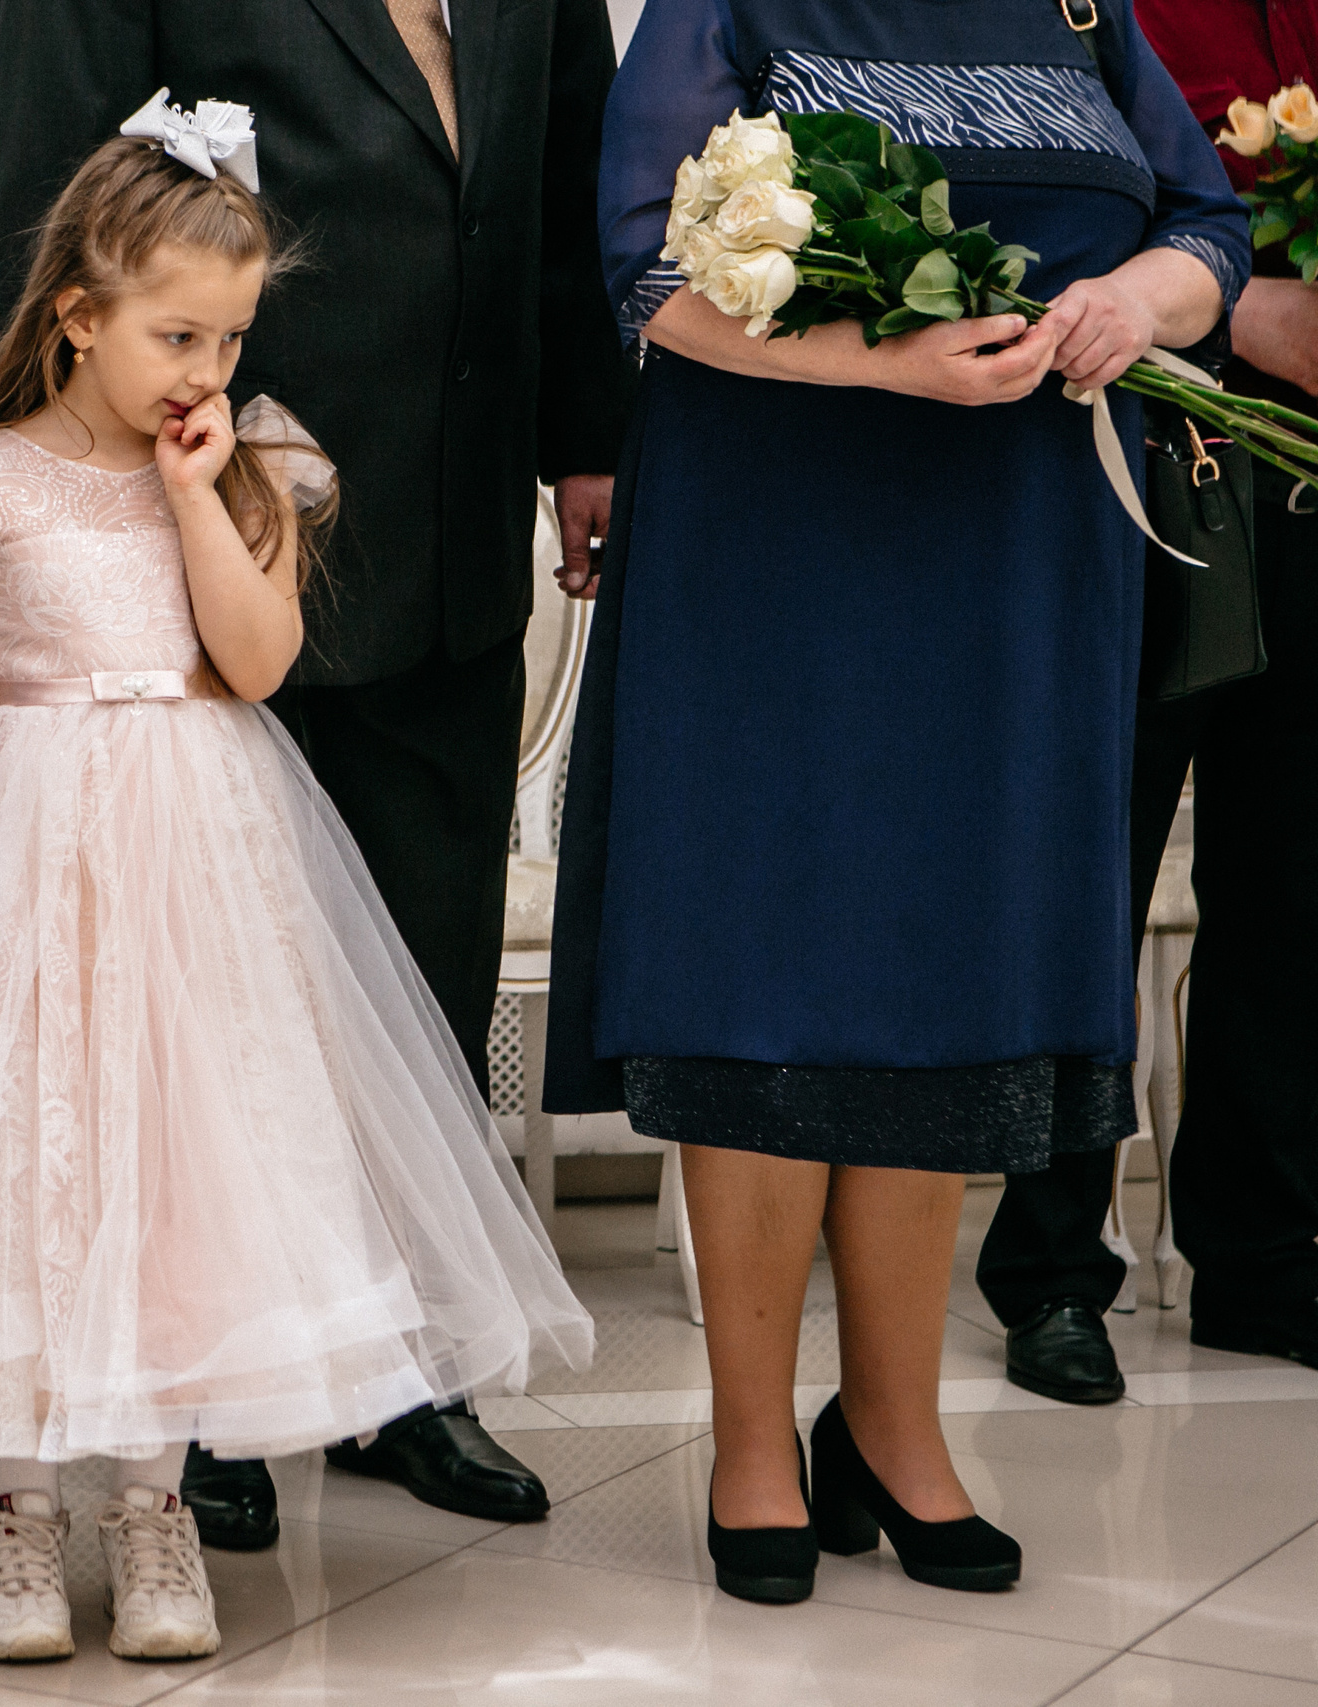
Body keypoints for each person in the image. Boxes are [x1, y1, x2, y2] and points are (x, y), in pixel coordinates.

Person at [0, 115, 591, 1666]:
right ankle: (13, 1514)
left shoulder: (254, 464)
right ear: (77, 316)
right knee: (20, 1152)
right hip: (20, 845)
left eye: (230, 336)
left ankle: (152, 1503)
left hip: (200, 847)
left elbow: (255, 664)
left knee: (181, 1164)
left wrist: (198, 493)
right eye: (177, 334)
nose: (206, 367)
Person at [551, 0, 1248, 1604]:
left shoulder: (1082, 8)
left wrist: (1135, 304)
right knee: (763, 972)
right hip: (778, 558)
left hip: (1014, 568)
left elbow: (1207, 217)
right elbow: (649, 270)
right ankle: (747, 1445)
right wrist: (890, 356)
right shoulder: (728, 8)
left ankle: (895, 1431)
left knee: (950, 970)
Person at [0, 0, 634, 1550]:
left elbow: (560, 191)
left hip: (456, 533)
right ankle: (207, 1400)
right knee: (211, 1002)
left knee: (430, 967)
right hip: (220, 535)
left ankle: (404, 1377)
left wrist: (586, 439)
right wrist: (94, 493)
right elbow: (47, 201)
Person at [978, 0, 1318, 1402]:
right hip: (1128, 461)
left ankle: (1262, 1256)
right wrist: (1247, 303)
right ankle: (1052, 1268)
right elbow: (1040, 208)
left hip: (1302, 482)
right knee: (1088, 866)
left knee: (1294, 878)